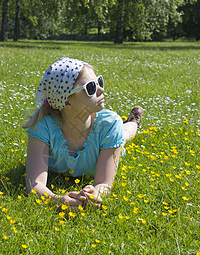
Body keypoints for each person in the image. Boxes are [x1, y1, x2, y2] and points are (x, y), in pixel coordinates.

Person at [23, 57, 144, 210]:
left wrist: (96, 193)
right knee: (122, 134)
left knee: (125, 134)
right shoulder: (43, 127)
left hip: (109, 132)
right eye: (91, 87)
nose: (101, 89)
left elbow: (104, 183)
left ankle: (134, 121)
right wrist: (57, 200)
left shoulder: (109, 124)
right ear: (66, 101)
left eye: (99, 82)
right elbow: (34, 184)